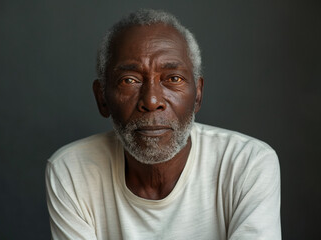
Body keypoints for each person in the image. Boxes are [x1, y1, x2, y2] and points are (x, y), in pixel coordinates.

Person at [45, 9, 281, 240]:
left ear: (197, 94)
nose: (152, 101)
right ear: (102, 98)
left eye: (173, 79)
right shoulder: (71, 170)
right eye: (130, 80)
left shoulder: (247, 164)